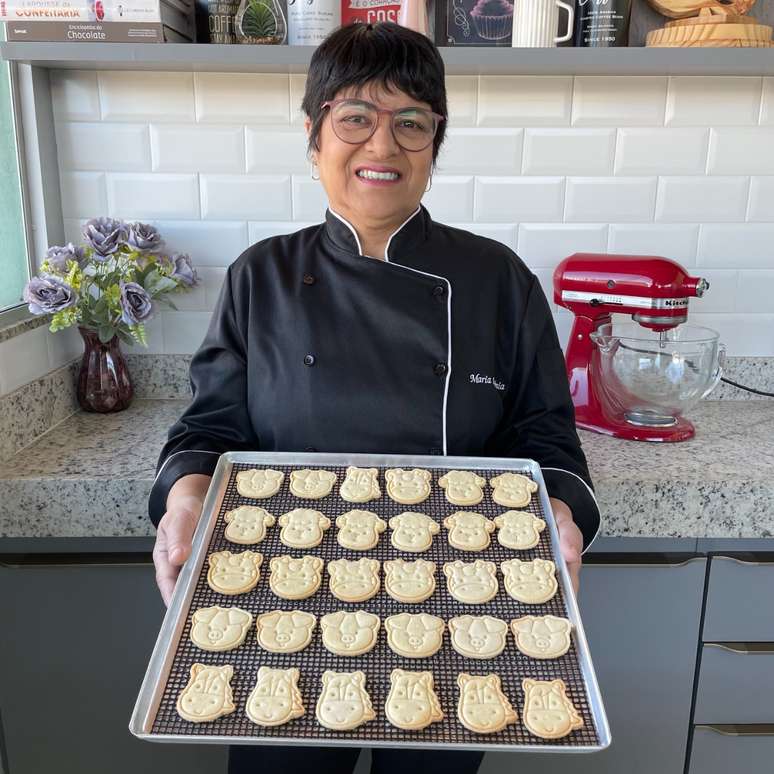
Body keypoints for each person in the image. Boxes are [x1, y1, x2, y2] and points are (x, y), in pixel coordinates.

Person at [149, 20, 600, 774]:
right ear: (314, 135)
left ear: (435, 143)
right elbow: (212, 423)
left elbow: (545, 432)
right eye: (356, 117)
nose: (383, 146)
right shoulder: (261, 275)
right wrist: (187, 498)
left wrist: (560, 512)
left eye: (412, 123)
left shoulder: (498, 279)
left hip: (460, 607)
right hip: (277, 597)